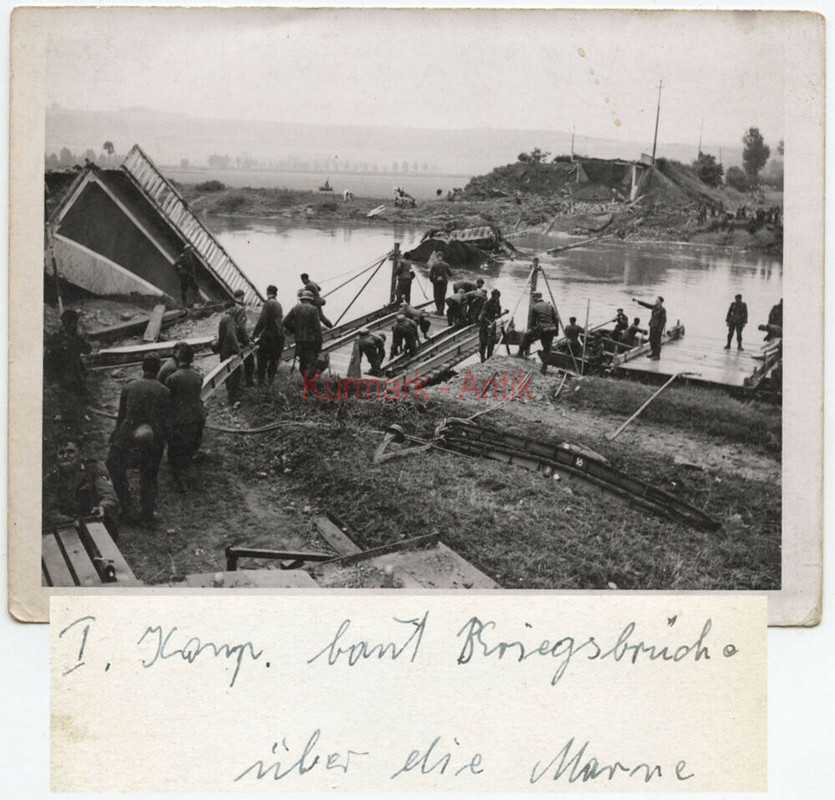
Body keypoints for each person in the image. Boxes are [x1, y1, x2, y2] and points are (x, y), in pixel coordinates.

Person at [105, 354, 170, 527]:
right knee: (149, 475)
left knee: (114, 465)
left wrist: (117, 433)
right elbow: (165, 420)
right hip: (152, 438)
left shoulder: (129, 386)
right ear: (158, 369)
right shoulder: (164, 391)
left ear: (142, 368)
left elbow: (121, 416)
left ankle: (125, 506)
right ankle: (147, 513)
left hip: (126, 434)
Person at [43, 436, 119, 531]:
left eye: (71, 451)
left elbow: (109, 496)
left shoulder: (95, 468)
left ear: (81, 453)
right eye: (61, 453)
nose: (65, 456)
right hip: (66, 528)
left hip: (96, 523)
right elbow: (50, 511)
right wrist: (71, 522)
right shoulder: (51, 478)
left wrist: (103, 508)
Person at [164, 343, 206, 493]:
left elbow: (167, 399)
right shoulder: (197, 376)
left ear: (179, 358)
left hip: (179, 419)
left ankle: (179, 478)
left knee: (176, 449)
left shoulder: (172, 378)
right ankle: (186, 469)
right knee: (190, 446)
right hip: (197, 416)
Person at [44, 308, 92, 423]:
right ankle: (65, 416)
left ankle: (82, 413)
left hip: (77, 369)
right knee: (65, 395)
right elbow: (48, 360)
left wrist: (82, 339)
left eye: (76, 322)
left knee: (81, 391)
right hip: (62, 371)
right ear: (67, 323)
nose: (76, 325)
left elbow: (88, 350)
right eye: (74, 322)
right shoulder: (56, 338)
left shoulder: (77, 336)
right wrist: (51, 380)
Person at [283, 290, 323, 378]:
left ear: (302, 299)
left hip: (299, 341)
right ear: (311, 300)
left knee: (303, 363)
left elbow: (285, 321)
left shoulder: (295, 308)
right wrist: (319, 345)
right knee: (311, 363)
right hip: (310, 342)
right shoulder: (313, 309)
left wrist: (295, 330)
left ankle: (306, 382)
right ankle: (308, 384)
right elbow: (318, 329)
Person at [518, 291, 559, 374]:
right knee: (547, 349)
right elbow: (556, 319)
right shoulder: (550, 305)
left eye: (533, 298)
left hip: (541, 329)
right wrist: (556, 331)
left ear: (535, 298)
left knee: (526, 336)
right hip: (551, 329)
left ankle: (520, 354)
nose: (532, 299)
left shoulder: (535, 306)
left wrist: (532, 330)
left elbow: (532, 322)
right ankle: (544, 368)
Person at [252, 284, 284, 385]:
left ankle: (261, 382)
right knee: (274, 360)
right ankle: (270, 381)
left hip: (270, 335)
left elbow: (263, 320)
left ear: (267, 292)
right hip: (279, 336)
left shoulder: (268, 303)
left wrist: (254, 334)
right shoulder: (279, 304)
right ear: (276, 293)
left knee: (261, 358)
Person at [217, 300, 246, 409]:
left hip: (224, 350)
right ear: (231, 308)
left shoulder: (223, 319)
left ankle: (231, 397)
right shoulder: (230, 319)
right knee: (235, 373)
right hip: (230, 351)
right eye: (234, 308)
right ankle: (233, 400)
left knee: (228, 374)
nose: (235, 310)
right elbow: (231, 335)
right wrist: (238, 348)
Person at [231, 289, 256, 388]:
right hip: (240, 339)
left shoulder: (231, 307)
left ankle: (237, 385)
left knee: (234, 364)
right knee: (249, 360)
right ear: (242, 297)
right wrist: (248, 341)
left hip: (232, 338)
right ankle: (249, 382)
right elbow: (241, 328)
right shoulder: (240, 309)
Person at [633, 296, 667, 360]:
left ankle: (657, 355)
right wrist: (638, 301)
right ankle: (653, 353)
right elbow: (646, 304)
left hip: (657, 328)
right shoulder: (654, 307)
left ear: (660, 302)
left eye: (657, 300)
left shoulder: (662, 310)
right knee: (651, 340)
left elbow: (663, 320)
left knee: (657, 341)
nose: (656, 301)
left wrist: (660, 329)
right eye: (656, 300)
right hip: (652, 326)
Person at [477, 289, 503, 362]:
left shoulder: (497, 302)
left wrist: (499, 313)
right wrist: (489, 322)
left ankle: (489, 357)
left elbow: (498, 311)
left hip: (492, 324)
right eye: (497, 297)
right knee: (483, 341)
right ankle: (482, 358)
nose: (497, 299)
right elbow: (483, 316)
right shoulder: (487, 303)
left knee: (491, 341)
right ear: (493, 296)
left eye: (498, 297)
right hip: (484, 324)